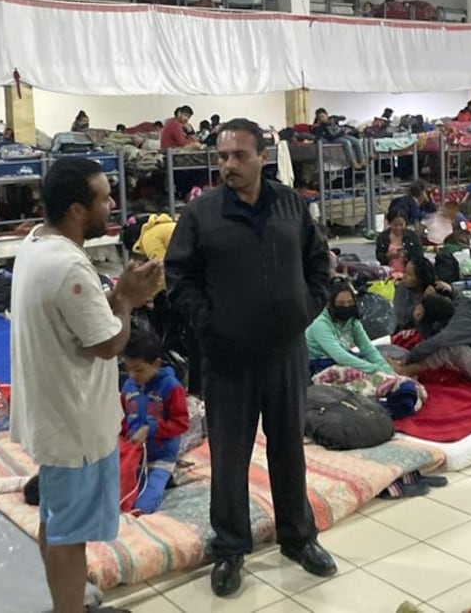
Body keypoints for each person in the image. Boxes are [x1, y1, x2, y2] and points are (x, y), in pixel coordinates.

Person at [165, 118, 336, 597]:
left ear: (263, 156)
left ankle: (297, 538)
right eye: (222, 157)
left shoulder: (291, 207)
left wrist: (305, 309)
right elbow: (179, 277)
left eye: (239, 156)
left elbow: (319, 263)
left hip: (284, 353)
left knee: (288, 450)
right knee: (230, 457)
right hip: (227, 359)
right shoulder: (202, 213)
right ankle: (231, 548)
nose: (228, 165)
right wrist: (209, 326)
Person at [9, 156, 162, 613]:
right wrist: (130, 301)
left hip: (52, 413)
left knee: (56, 520)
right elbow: (108, 343)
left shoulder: (38, 243)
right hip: (72, 421)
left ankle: (70, 599)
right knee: (69, 534)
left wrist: (116, 294)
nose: (112, 205)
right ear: (78, 209)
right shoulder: (69, 267)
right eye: (104, 198)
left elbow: (83, 318)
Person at [119, 329, 190, 515]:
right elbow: (125, 419)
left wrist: (150, 429)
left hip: (160, 458)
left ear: (156, 363)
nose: (133, 375)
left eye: (139, 370)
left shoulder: (171, 387)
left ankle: (163, 479)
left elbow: (181, 424)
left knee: (142, 506)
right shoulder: (128, 386)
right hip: (135, 457)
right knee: (119, 497)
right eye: (129, 369)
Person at [390, 294, 471, 383]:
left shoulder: (458, 325)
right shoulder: (459, 308)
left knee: (451, 349)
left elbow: (435, 342)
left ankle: (406, 371)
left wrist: (409, 358)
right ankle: (405, 365)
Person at [306, 280, 393, 375]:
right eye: (341, 303)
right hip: (320, 365)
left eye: (350, 302)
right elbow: (339, 356)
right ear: (330, 304)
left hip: (343, 360)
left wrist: (386, 368)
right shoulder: (319, 323)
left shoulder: (352, 321)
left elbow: (367, 347)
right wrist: (374, 369)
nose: (346, 306)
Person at [375, 210, 423, 276]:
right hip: (388, 273)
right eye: (395, 225)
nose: (398, 228)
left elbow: (419, 256)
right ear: (389, 223)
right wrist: (389, 256)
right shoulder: (383, 237)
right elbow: (378, 256)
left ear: (405, 223)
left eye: (401, 225)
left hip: (409, 274)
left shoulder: (413, 236)